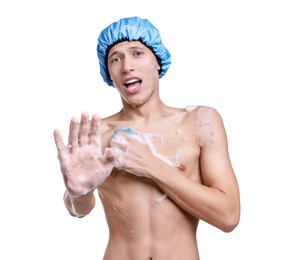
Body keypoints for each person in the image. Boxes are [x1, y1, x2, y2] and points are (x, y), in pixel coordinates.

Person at [53, 16, 240, 260]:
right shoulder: (98, 134)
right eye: (116, 58)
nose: (127, 66)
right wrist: (79, 193)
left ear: (158, 62)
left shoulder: (200, 123)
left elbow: (228, 216)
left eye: (137, 53)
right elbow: (79, 210)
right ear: (108, 73)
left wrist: (150, 164)